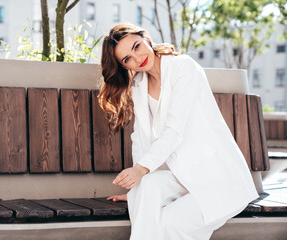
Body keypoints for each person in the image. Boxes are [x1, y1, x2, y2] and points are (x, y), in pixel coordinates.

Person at [97, 23, 259, 240]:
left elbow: (174, 131)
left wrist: (139, 171)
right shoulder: (139, 83)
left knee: (170, 223)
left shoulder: (184, 68)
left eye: (136, 46)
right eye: (127, 59)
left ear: (145, 37)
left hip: (216, 177)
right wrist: (138, 190)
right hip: (182, 176)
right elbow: (141, 138)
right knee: (149, 187)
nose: (137, 59)